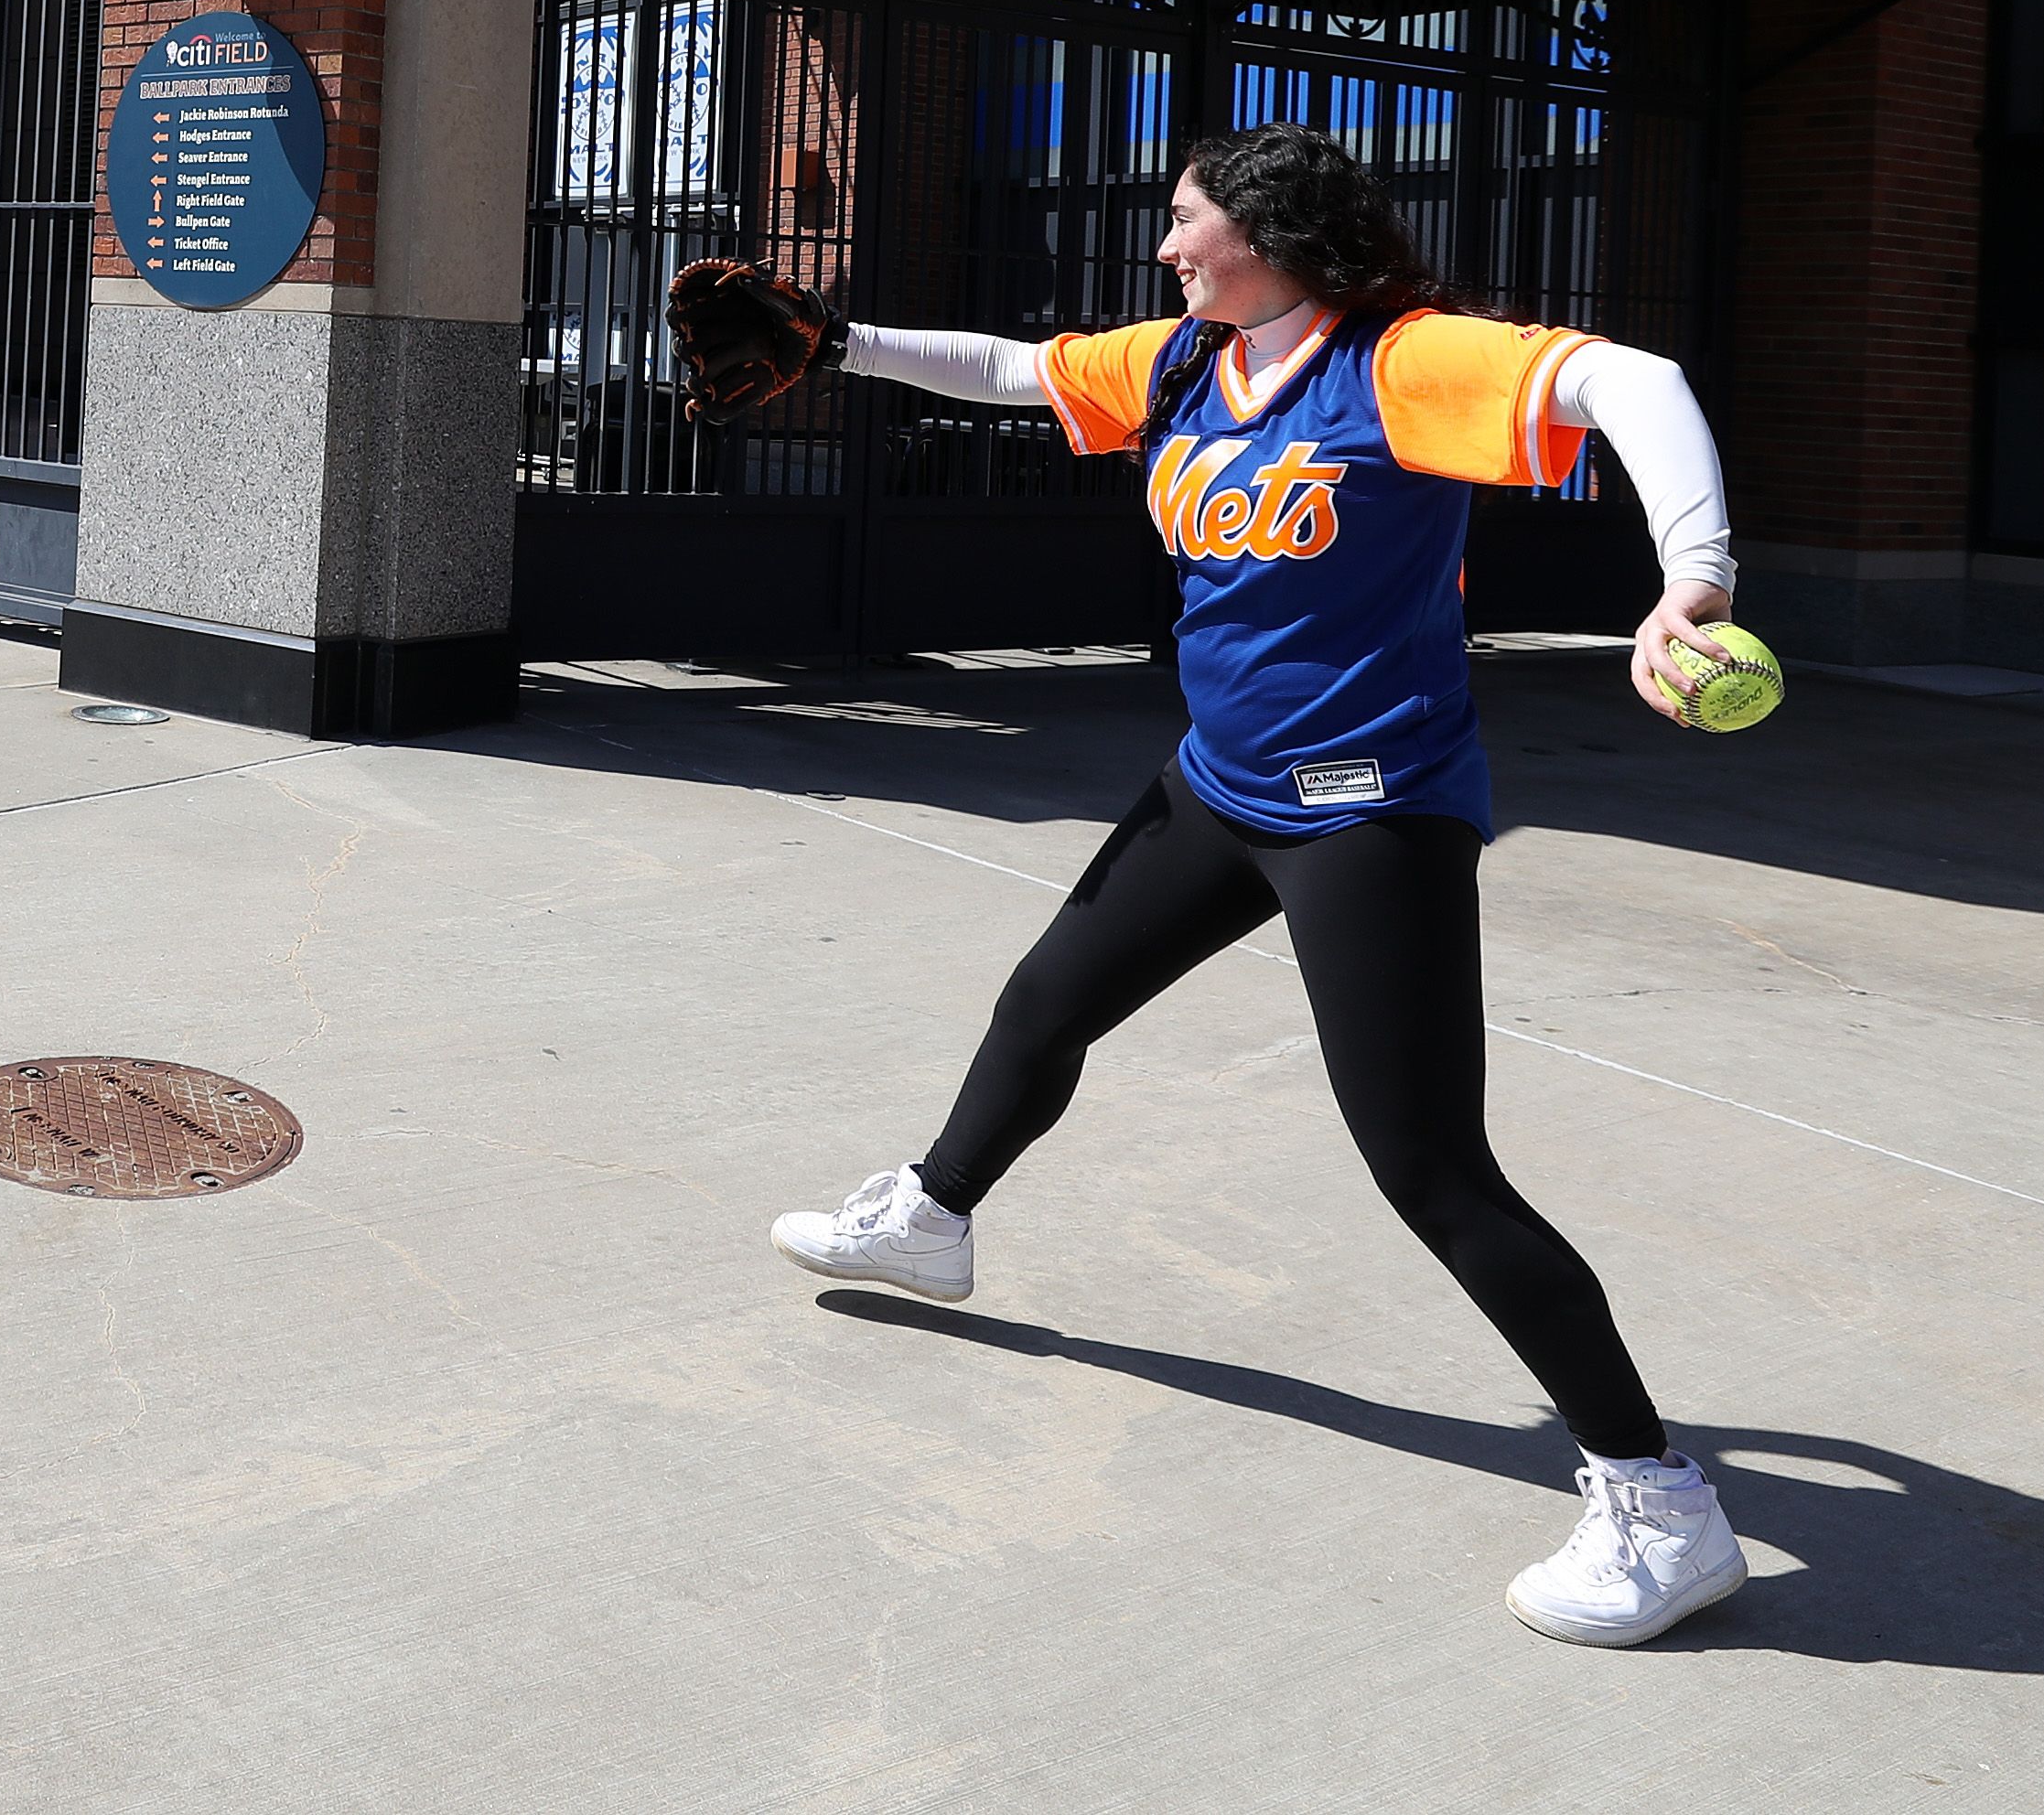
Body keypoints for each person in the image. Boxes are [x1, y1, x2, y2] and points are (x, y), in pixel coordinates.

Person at [715, 124, 1748, 1647]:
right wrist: (840, 340)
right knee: (1046, 996)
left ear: (1266, 234)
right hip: (1221, 780)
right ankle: (930, 1215)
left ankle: (1663, 1502)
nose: (1167, 245)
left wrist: (1695, 577)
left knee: (1429, 1167)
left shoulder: (1394, 362)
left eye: (1188, 221)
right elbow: (1017, 371)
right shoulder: (1199, 357)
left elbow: (1630, 382)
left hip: (1369, 811)